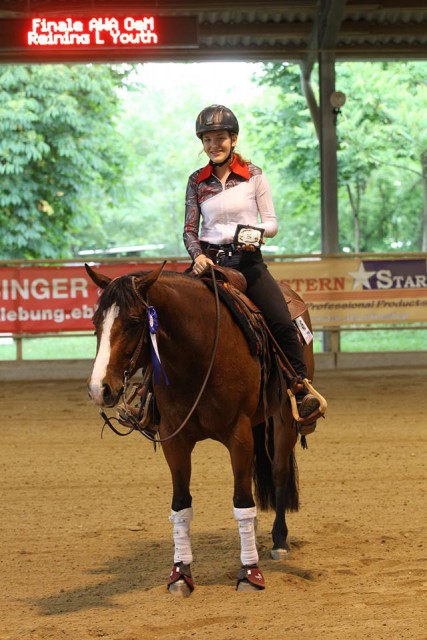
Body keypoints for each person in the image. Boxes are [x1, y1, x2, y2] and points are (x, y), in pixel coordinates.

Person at [183, 104, 321, 435]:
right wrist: (197, 255)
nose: (213, 145)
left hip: (247, 262)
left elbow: (272, 223)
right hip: (210, 263)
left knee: (281, 319)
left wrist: (252, 233)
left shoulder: (255, 175)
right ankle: (150, 399)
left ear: (233, 139)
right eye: (207, 140)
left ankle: (299, 389)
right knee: (166, 315)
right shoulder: (196, 181)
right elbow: (189, 229)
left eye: (219, 138)